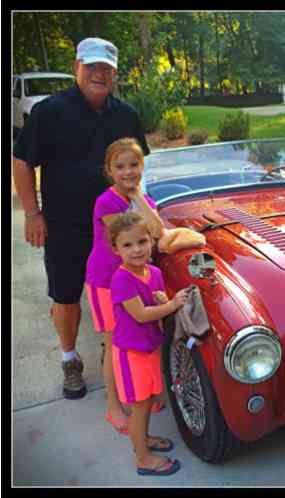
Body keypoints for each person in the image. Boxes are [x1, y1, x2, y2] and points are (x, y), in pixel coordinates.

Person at [12, 37, 150, 400]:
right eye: (92, 67)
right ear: (77, 67)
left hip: (116, 229)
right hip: (64, 227)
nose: (98, 74)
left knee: (118, 290)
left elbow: (138, 165)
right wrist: (32, 213)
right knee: (66, 296)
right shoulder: (48, 111)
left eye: (106, 68)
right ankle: (70, 358)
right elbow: (22, 161)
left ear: (115, 74)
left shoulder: (126, 115)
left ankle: (115, 348)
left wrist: (143, 210)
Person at [85, 137, 166, 433]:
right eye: (120, 167)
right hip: (106, 282)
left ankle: (146, 392)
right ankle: (113, 404)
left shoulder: (146, 201)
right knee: (116, 343)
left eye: (134, 165)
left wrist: (141, 198)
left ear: (143, 166)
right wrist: (136, 202)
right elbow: (128, 232)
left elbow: (156, 231)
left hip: (137, 279)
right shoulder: (106, 202)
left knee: (143, 332)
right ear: (109, 170)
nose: (128, 172)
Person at [108, 211, 186, 476]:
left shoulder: (153, 273)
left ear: (151, 242)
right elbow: (140, 314)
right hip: (131, 354)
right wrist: (172, 305)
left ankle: (144, 438)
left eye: (142, 241)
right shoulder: (121, 279)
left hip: (150, 347)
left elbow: (156, 306)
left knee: (151, 398)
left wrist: (164, 301)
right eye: (127, 245)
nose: (136, 249)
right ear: (116, 249)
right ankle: (142, 458)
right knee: (139, 407)